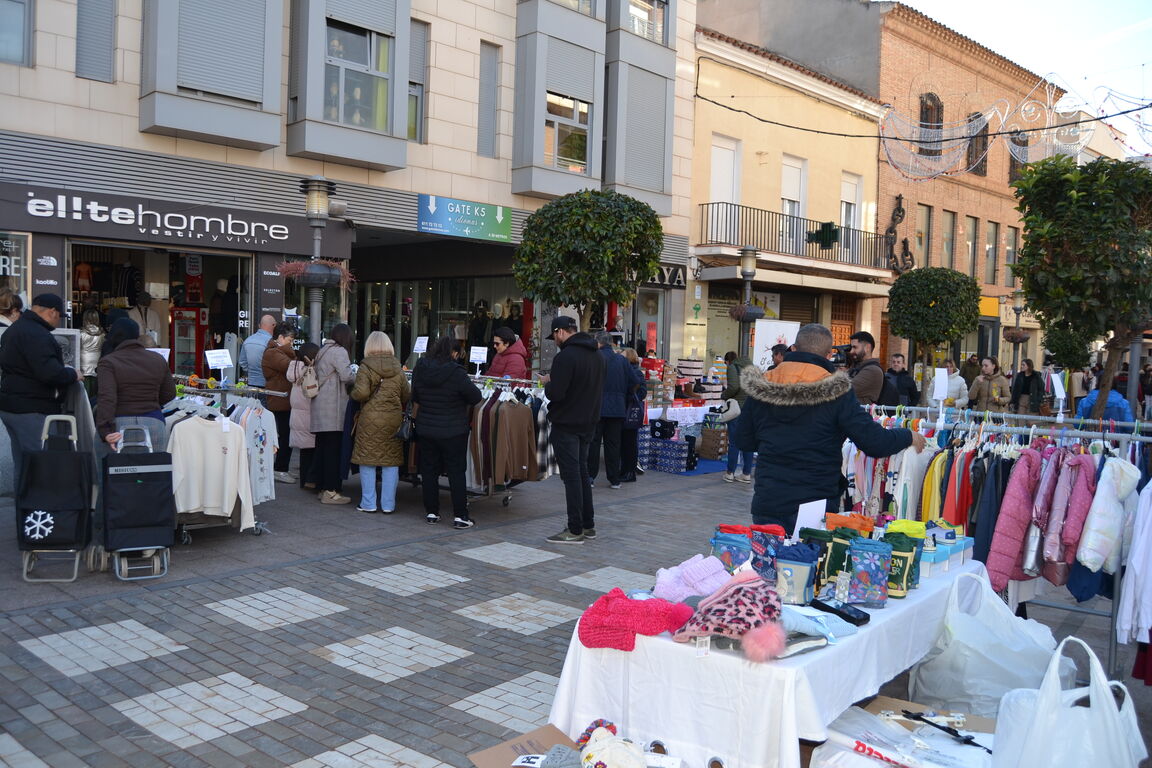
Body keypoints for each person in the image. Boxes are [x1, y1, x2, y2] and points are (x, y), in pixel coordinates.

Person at [731, 323, 924, 533]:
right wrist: (907, 435)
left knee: (767, 553)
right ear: (828, 355)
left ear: (793, 349)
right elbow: (874, 442)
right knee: (809, 554)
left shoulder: (764, 384)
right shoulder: (836, 390)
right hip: (815, 502)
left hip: (769, 499)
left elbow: (743, 439)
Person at [0, 294, 83, 484]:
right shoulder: (36, 334)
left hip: (12, 405)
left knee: (23, 464)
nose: (58, 320)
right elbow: (50, 373)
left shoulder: (16, 329)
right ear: (52, 312)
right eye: (59, 315)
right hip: (32, 408)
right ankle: (39, 502)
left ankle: (24, 501)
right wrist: (72, 374)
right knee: (39, 464)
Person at [542, 316, 605, 544]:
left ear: (560, 331)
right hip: (588, 422)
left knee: (572, 478)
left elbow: (556, 393)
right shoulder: (598, 355)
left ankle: (575, 528)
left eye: (554, 336)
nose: (555, 341)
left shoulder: (565, 357)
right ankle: (588, 525)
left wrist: (547, 383)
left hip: (567, 424)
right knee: (581, 474)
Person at [411, 334, 482, 528]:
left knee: (429, 471)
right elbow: (475, 397)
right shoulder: (457, 373)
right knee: (456, 472)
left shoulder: (420, 368)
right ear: (454, 353)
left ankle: (432, 512)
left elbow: (415, 396)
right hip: (453, 430)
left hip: (426, 428)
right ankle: (460, 515)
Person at [95, 317, 176, 451]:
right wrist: (151, 402)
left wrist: (105, 430)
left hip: (119, 424)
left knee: (109, 463)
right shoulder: (158, 359)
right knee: (156, 464)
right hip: (154, 423)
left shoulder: (108, 362)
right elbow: (169, 394)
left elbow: (107, 397)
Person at [351, 331, 409, 515]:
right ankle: (388, 505)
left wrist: (352, 392)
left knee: (367, 461)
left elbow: (361, 393)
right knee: (390, 462)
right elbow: (406, 394)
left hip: (370, 419)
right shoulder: (398, 367)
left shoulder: (365, 367)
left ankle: (368, 503)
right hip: (393, 419)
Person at [588, 332, 643, 490]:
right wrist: (625, 394)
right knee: (613, 445)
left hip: (596, 407)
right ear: (611, 343)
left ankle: (590, 477)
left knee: (594, 443)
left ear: (598, 343)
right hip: (618, 408)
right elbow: (635, 381)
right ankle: (614, 479)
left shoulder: (594, 358)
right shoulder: (622, 360)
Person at [311, 324, 356, 504]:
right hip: (333, 409)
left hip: (320, 407)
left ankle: (323, 488)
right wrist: (357, 374)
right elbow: (347, 376)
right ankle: (331, 491)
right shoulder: (340, 351)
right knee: (333, 452)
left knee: (322, 450)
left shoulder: (323, 350)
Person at [261, 321, 298, 484]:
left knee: (285, 435)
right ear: (281, 337)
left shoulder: (277, 351)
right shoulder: (272, 353)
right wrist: (292, 352)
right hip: (279, 399)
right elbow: (290, 366)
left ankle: (282, 467)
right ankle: (280, 469)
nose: (292, 344)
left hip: (283, 398)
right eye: (290, 340)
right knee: (285, 436)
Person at [287, 342, 319, 489]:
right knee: (312, 450)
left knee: (304, 451)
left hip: (297, 417)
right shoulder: (310, 372)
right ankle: (310, 480)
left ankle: (304, 480)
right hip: (309, 416)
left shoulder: (294, 370)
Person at [721, 350, 754, 483]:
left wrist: (724, 395)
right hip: (750, 409)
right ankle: (746, 474)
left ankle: (730, 473)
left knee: (734, 442)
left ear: (727, 361)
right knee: (748, 442)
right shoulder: (751, 367)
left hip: (737, 408)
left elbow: (733, 387)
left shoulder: (732, 367)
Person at [619, 347, 646, 483]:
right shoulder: (624, 371)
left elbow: (642, 392)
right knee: (624, 443)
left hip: (630, 412)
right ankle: (625, 470)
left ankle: (630, 472)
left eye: (623, 356)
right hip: (624, 411)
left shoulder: (636, 372)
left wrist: (630, 397)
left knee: (629, 443)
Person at [846, 331, 883, 405]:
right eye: (851, 347)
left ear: (867, 348)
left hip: (860, 412)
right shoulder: (857, 367)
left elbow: (844, 390)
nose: (851, 351)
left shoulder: (872, 370)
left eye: (855, 347)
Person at [240, 314, 275, 386]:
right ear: (273, 325)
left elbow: (242, 362)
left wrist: (252, 371)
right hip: (267, 384)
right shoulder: (271, 342)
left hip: (251, 383)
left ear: (259, 325)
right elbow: (274, 365)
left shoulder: (248, 340)